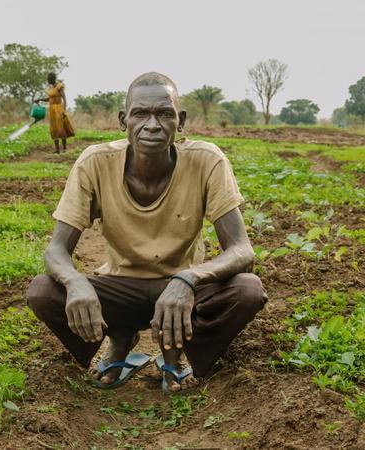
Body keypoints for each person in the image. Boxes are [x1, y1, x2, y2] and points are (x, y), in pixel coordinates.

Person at [27, 72, 267, 393]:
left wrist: (188, 279)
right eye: (140, 114)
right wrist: (75, 282)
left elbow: (242, 251)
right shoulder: (95, 163)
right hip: (120, 287)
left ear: (179, 121)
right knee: (44, 291)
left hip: (183, 292)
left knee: (247, 290)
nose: (152, 124)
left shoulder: (207, 161)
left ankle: (178, 354)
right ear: (123, 121)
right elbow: (56, 250)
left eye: (164, 114)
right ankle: (120, 338)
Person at [35, 72, 75, 153]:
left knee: (61, 128)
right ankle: (57, 150)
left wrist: (64, 110)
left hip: (59, 108)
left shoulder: (59, 86)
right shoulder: (51, 88)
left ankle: (64, 149)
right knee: (54, 129)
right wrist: (40, 99)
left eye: (49, 79)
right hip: (52, 110)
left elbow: (64, 98)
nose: (48, 80)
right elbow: (49, 99)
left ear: (52, 79)